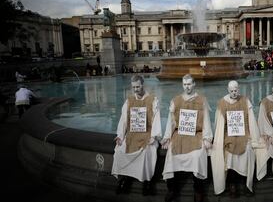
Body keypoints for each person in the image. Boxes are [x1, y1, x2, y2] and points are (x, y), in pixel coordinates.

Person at [161, 74, 213, 202]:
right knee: (171, 155)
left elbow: (206, 120)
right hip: (180, 134)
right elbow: (171, 121)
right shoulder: (176, 100)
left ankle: (198, 190)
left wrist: (207, 138)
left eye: (189, 84)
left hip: (196, 134)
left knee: (198, 156)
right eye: (184, 84)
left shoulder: (202, 100)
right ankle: (171, 189)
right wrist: (167, 137)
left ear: (194, 84)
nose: (187, 87)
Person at [111, 75, 162, 195]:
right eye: (133, 87)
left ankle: (147, 182)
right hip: (132, 135)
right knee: (119, 150)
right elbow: (123, 120)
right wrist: (120, 135)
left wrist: (153, 136)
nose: (135, 89)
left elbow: (156, 120)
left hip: (148, 134)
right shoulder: (128, 101)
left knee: (146, 152)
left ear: (143, 85)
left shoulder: (153, 100)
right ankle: (124, 179)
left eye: (138, 87)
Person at [210, 80, 262, 198]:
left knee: (248, 149)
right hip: (229, 134)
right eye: (232, 91)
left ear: (239, 89)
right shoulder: (223, 103)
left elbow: (251, 120)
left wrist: (252, 136)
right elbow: (219, 124)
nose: (234, 93)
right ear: (228, 90)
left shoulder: (245, 100)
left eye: (236, 90)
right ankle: (232, 184)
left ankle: (245, 183)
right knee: (229, 152)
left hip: (244, 134)